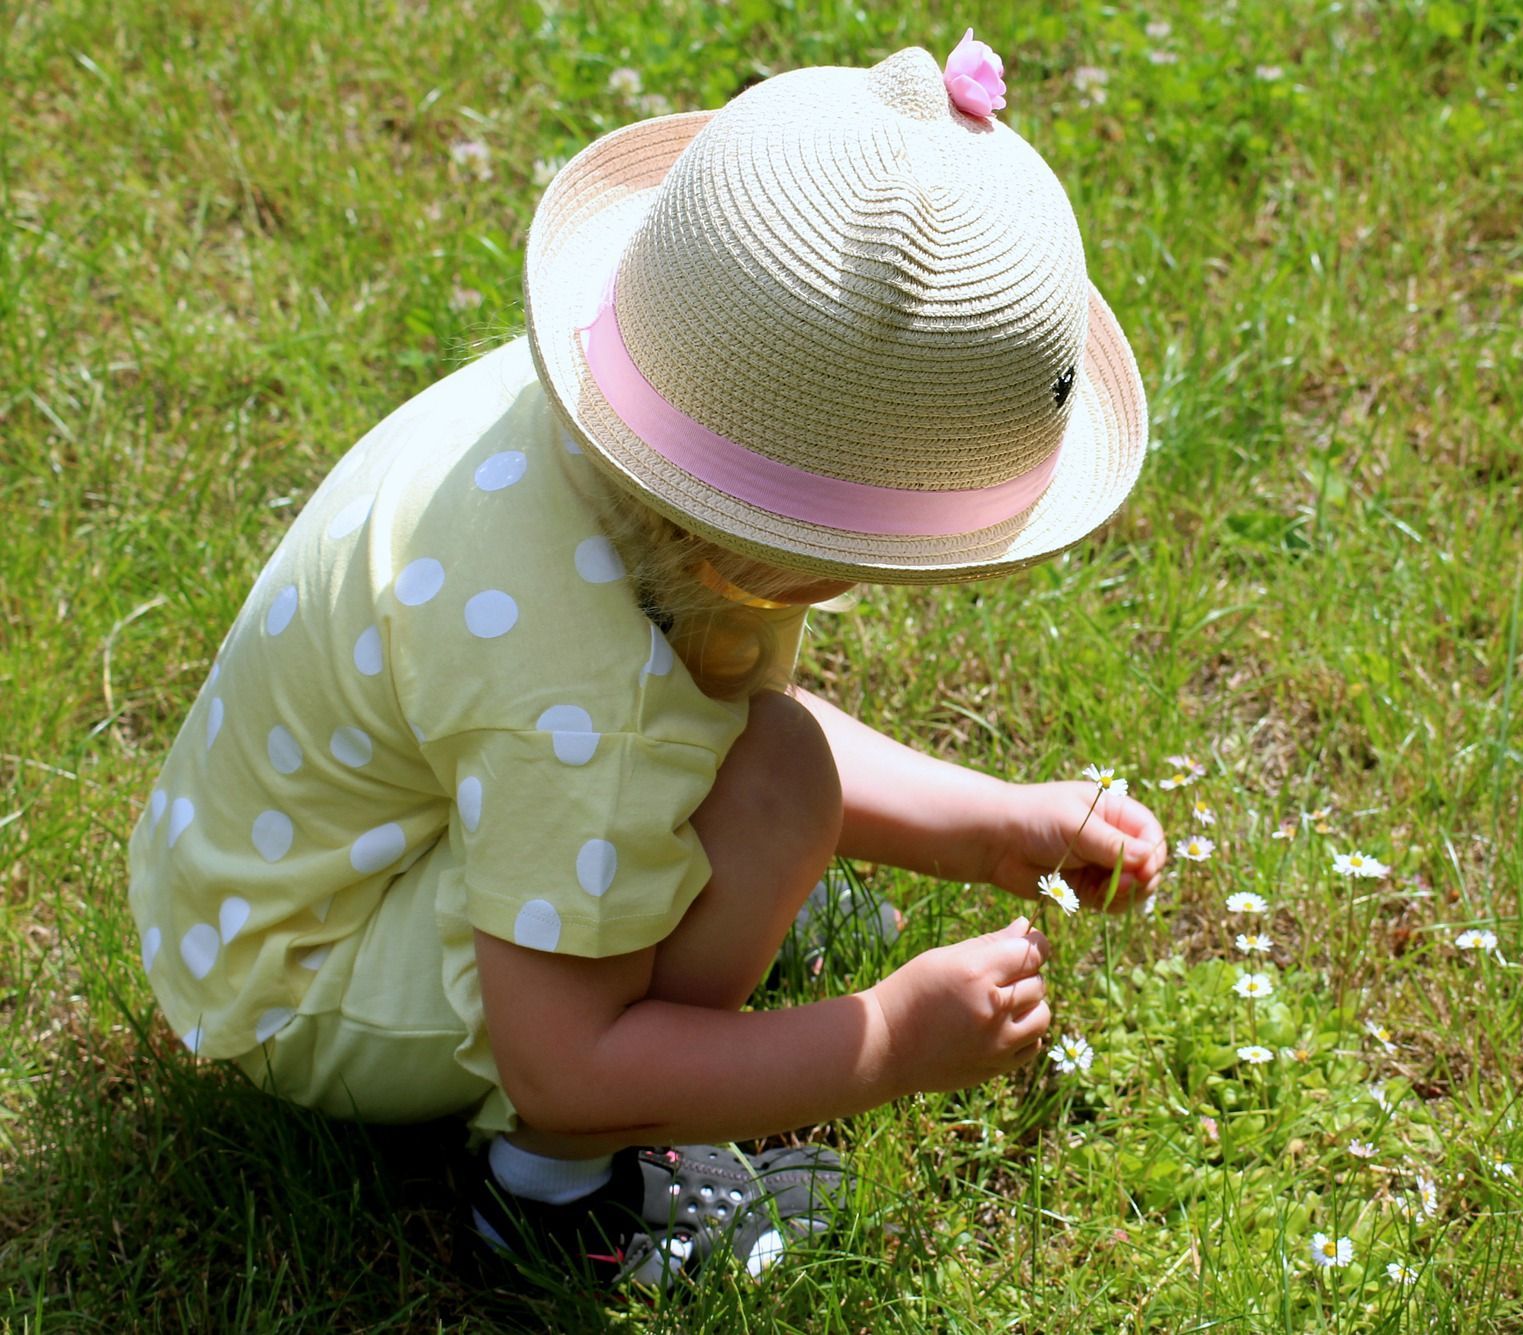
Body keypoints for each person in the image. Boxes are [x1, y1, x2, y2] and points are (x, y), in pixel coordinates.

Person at [126, 34, 1163, 1289]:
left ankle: (684, 906)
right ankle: (557, 1197)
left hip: (268, 878)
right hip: (305, 985)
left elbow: (708, 704)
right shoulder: (589, 689)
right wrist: (888, 1037)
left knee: (767, 779)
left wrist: (996, 826)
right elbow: (567, 1059)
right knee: (774, 795)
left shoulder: (625, 443)